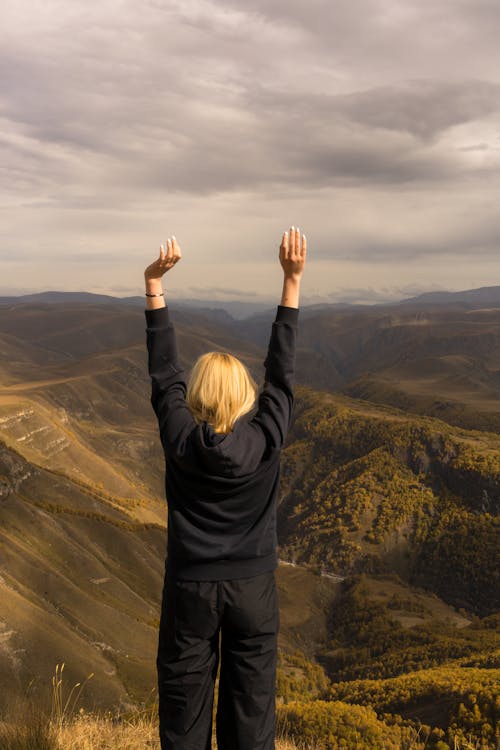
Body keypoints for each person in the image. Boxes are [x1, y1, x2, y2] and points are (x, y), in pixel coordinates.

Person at [144, 226, 307, 750]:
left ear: (194, 397)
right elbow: (281, 378)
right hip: (253, 590)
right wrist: (291, 282)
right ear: (245, 397)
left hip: (190, 587)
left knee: (184, 711)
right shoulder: (265, 440)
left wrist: (154, 285)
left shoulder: (179, 438)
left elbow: (164, 373)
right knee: (251, 713)